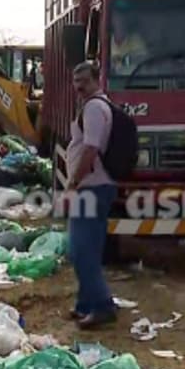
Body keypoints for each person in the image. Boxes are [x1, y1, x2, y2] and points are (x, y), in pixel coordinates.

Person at [65, 61, 119, 328]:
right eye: (76, 82)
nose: (79, 87)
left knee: (80, 250)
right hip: (96, 185)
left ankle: (102, 306)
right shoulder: (95, 105)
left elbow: (90, 148)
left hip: (91, 187)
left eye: (84, 81)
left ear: (97, 80)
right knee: (89, 248)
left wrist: (74, 182)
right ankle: (86, 303)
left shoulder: (95, 108)